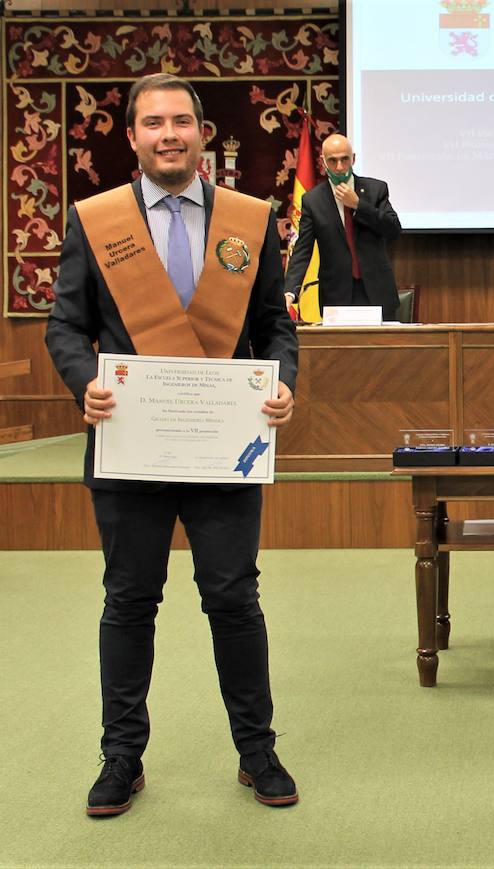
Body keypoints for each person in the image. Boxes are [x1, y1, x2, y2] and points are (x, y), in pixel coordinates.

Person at [44, 73, 300, 816]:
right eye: (153, 122)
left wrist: (281, 382)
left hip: (224, 449)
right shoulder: (97, 220)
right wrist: (82, 378)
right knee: (128, 601)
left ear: (201, 134)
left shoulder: (249, 220)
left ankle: (257, 750)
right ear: (132, 137)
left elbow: (273, 326)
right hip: (129, 447)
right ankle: (121, 756)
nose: (168, 134)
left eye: (181, 121)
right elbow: (64, 325)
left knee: (234, 599)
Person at [284, 133, 403, 320]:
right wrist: (290, 291)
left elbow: (393, 229)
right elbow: (302, 250)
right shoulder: (313, 201)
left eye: (344, 159)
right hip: (336, 296)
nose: (339, 167)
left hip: (376, 291)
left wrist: (358, 205)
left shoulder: (375, 190)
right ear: (323, 162)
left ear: (353, 158)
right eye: (332, 161)